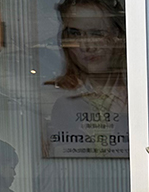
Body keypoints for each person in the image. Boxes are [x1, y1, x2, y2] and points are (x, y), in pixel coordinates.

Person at [43, 0, 128, 158]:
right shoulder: (60, 102)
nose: (86, 46)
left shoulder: (140, 98)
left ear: (118, 36)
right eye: (75, 34)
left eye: (96, 33)